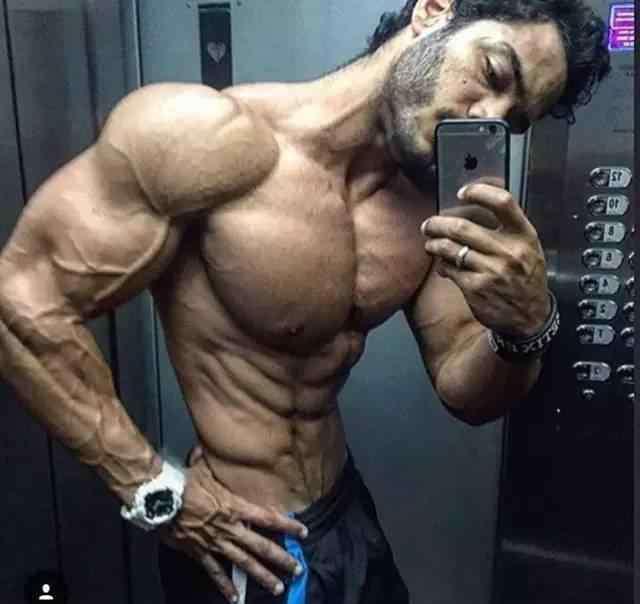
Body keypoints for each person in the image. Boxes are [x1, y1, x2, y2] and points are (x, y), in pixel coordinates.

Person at [0, 0, 610, 602]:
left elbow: (464, 386)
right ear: (433, 11)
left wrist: (525, 328)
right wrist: (153, 490)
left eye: (514, 120)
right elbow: (22, 303)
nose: (489, 115)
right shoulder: (202, 137)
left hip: (346, 516)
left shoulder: (432, 203)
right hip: (247, 539)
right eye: (495, 73)